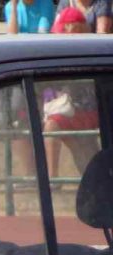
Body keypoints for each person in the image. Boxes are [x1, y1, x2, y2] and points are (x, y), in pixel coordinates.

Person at [44, 9, 99, 182]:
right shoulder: (58, 52)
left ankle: (98, 181)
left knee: (85, 149)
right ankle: (52, 180)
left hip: (88, 111)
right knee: (54, 127)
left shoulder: (91, 50)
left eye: (64, 29)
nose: (60, 34)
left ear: (75, 29)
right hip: (68, 113)